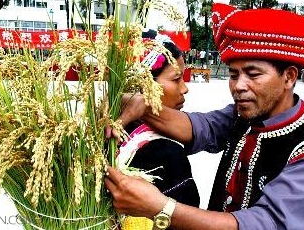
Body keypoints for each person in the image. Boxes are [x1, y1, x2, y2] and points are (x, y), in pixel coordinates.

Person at [105, 3, 304, 230]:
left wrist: (161, 207)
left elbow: (266, 223)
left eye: (253, 74)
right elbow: (203, 127)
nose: (238, 86)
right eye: (233, 74)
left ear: (288, 77)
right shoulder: (242, 116)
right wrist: (144, 107)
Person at [117, 29, 200, 208]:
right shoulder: (167, 153)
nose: (184, 88)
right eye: (176, 79)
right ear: (142, 85)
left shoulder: (100, 138)